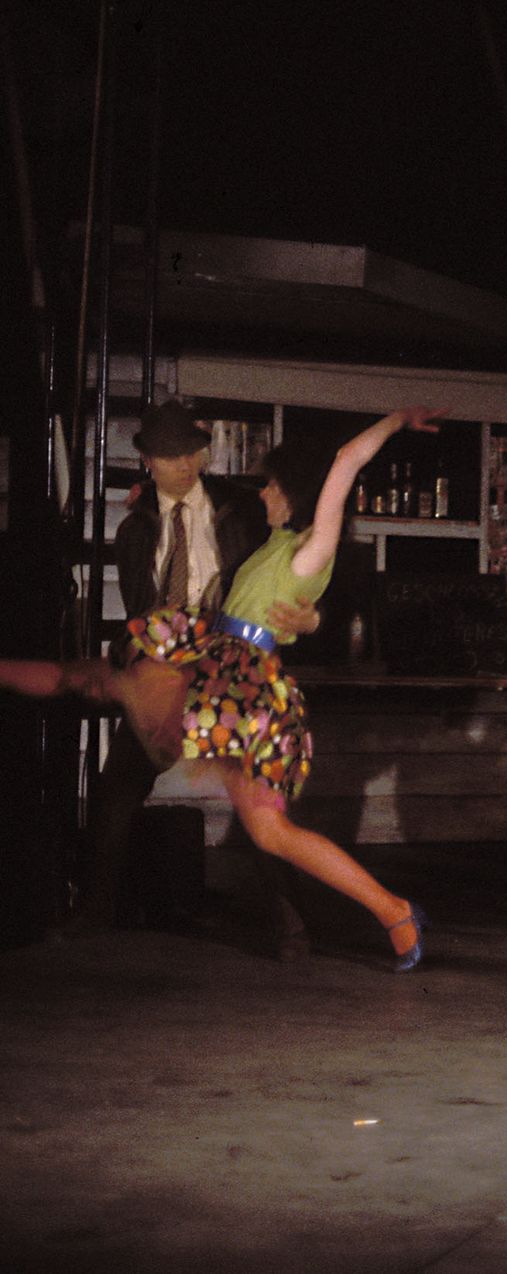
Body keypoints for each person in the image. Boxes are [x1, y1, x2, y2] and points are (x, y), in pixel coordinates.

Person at [2, 406, 439, 972]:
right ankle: (394, 913)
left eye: (272, 486)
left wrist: (398, 419)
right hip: (207, 663)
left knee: (270, 829)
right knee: (94, 685)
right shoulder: (275, 541)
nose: (262, 494)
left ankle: (391, 911)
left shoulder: (309, 545)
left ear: (295, 491)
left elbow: (345, 463)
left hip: (243, 690)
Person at [84, 402, 319, 957]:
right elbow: (143, 610)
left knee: (255, 793)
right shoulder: (136, 528)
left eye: (192, 452)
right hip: (168, 667)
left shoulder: (242, 509)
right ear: (147, 461)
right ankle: (92, 912)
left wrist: (309, 618)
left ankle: (291, 926)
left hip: (228, 668)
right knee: (118, 788)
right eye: (170, 456)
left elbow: (299, 553)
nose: (185, 464)